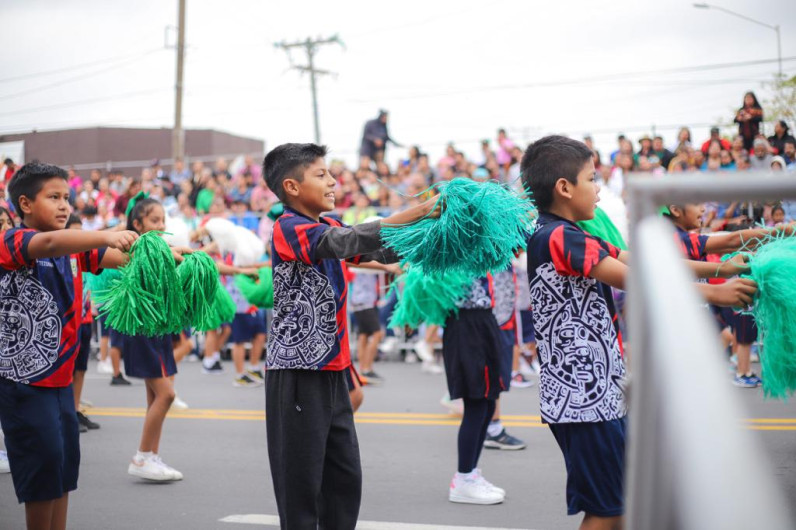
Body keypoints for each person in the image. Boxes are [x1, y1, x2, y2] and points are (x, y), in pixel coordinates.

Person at [521, 136, 756, 530]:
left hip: (597, 395)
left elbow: (639, 259)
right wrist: (715, 292)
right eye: (592, 179)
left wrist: (720, 269)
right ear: (564, 188)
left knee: (620, 505)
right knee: (607, 511)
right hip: (583, 399)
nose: (599, 188)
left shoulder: (567, 233)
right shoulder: (556, 236)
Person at [263, 142, 438, 529]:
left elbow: (379, 249)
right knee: (301, 490)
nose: (332, 181)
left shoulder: (330, 225)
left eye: (330, 173)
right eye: (321, 174)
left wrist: (436, 230)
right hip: (298, 372)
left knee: (344, 482)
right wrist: (414, 212)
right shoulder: (287, 228)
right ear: (291, 187)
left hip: (334, 371)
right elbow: (343, 244)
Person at [0, 162, 139, 530]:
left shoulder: (74, 249)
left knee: (62, 472)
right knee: (42, 478)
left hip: (61, 383)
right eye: (54, 197)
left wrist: (166, 255)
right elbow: (47, 243)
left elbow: (123, 258)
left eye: (67, 197)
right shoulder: (13, 241)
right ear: (26, 204)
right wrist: (107, 233)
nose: (64, 205)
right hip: (25, 384)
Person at [116, 196, 185, 482]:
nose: (161, 226)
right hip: (143, 330)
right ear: (137, 224)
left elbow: (176, 256)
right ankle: (142, 457)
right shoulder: (136, 247)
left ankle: (152, 456)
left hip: (159, 329)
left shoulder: (160, 247)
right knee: (167, 395)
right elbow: (169, 256)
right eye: (154, 221)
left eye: (163, 221)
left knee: (155, 397)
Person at [443, 276, 508, 505]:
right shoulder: (451, 244)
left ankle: (470, 473)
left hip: (483, 321)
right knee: (477, 403)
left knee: (488, 403)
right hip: (466, 324)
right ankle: (463, 479)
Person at [66, 214, 100, 433]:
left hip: (86, 319)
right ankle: (67, 413)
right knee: (68, 371)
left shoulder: (84, 256)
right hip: (71, 322)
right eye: (74, 232)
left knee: (80, 370)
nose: (79, 236)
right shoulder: (61, 256)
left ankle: (75, 410)